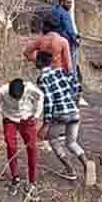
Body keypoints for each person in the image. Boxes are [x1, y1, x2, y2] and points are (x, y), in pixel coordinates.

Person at [36, 50, 87, 182]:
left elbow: (48, 101)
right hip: (74, 112)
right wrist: (74, 104)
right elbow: (77, 87)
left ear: (39, 62)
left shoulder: (42, 79)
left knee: (52, 140)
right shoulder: (62, 71)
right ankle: (86, 164)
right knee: (71, 142)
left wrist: (45, 124)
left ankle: (70, 170)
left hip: (59, 114)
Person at [0, 79, 44, 188]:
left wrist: (36, 115)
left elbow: (41, 97)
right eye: (14, 98)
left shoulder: (30, 88)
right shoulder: (1, 91)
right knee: (11, 147)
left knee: (32, 148)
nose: (17, 101)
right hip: (9, 119)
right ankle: (15, 177)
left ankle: (32, 180)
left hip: (27, 118)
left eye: (19, 98)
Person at [49, 0, 85, 103]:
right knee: (72, 68)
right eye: (68, 2)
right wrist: (76, 39)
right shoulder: (65, 14)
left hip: (55, 42)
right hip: (68, 43)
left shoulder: (54, 10)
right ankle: (73, 93)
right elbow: (70, 30)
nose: (70, 5)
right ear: (61, 2)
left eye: (71, 2)